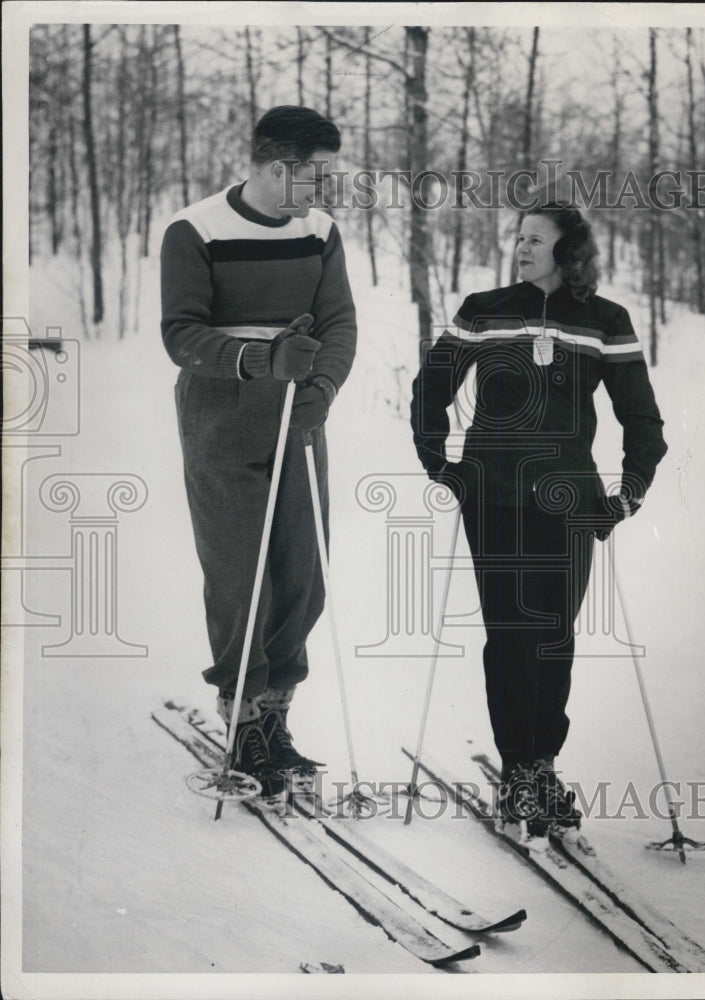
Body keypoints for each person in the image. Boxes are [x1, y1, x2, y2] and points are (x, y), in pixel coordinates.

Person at [410, 203, 667, 847]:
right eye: (518, 237)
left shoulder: (606, 321)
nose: (522, 248)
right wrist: (441, 463)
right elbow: (430, 388)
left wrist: (627, 493)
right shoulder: (484, 308)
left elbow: (644, 420)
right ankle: (518, 767)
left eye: (535, 239)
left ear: (568, 249)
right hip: (492, 495)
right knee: (510, 628)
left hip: (569, 499)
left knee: (554, 632)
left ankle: (541, 763)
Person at [161, 106, 357, 796]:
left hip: (297, 415)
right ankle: (242, 719)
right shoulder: (195, 230)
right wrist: (259, 357)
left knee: (302, 573)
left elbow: (338, 322)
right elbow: (181, 335)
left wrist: (323, 386)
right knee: (242, 574)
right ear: (278, 167)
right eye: (317, 175)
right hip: (222, 414)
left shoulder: (321, 231)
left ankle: (276, 721)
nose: (324, 189)